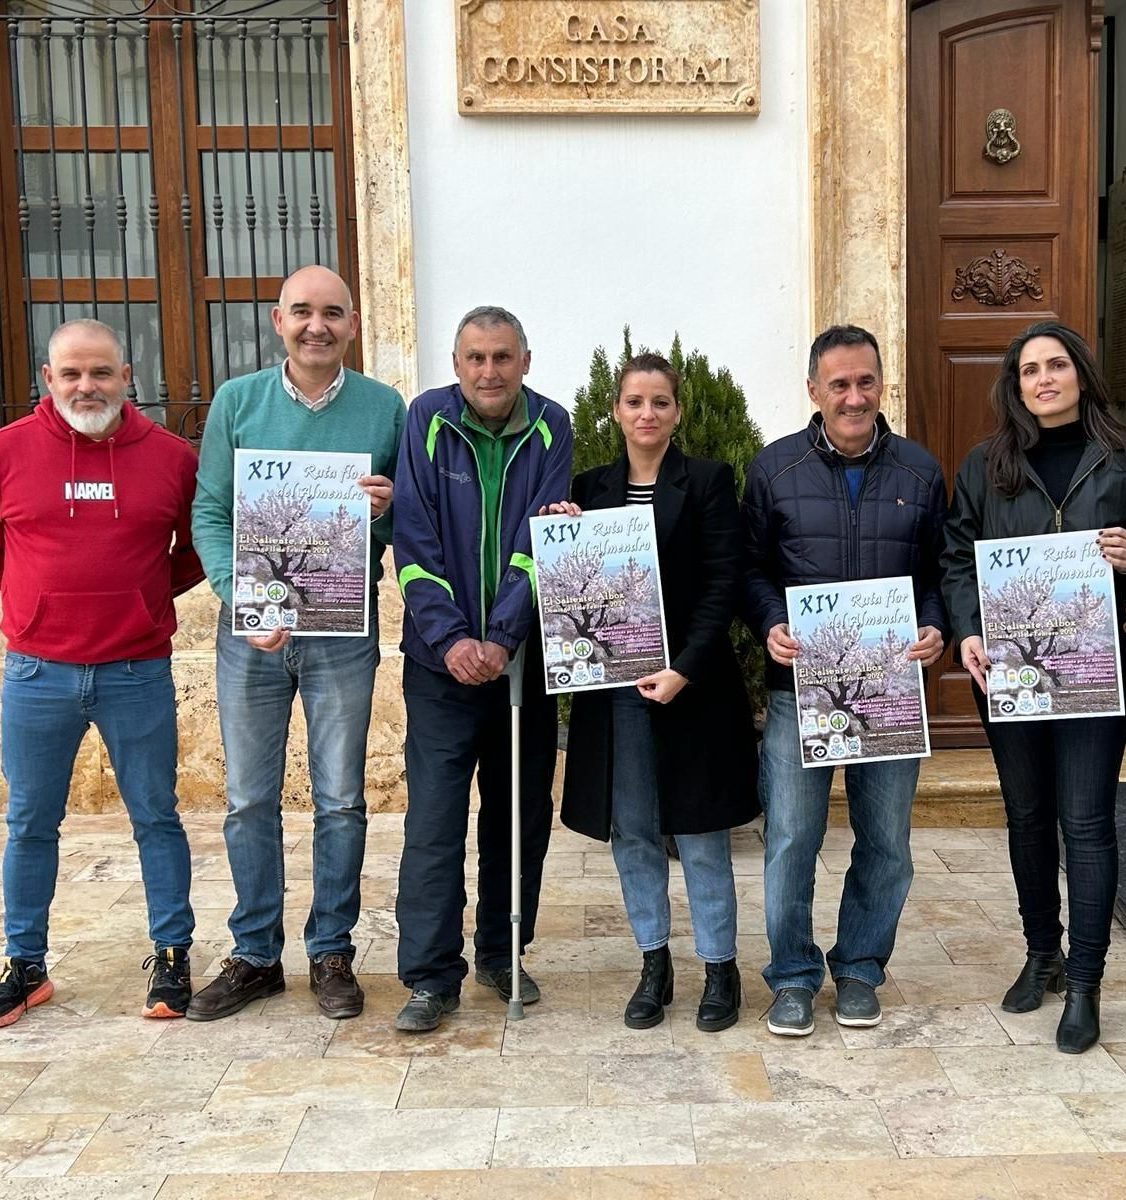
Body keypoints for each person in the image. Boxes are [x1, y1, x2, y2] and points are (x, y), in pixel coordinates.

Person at [0, 319, 204, 1027]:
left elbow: (196, 546)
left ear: (128, 377)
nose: (85, 386)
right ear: (47, 378)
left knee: (156, 816)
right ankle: (23, 965)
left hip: (136, 670)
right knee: (30, 821)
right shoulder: (3, 454)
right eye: (71, 374)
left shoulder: (170, 458)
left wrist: (143, 595)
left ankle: (172, 955)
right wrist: (36, 601)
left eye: (100, 373)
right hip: (37, 673)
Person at [940, 320, 1126, 1053]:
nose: (1043, 379)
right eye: (1029, 370)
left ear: (1080, 374)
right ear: (1014, 386)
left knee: (1088, 819)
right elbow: (956, 556)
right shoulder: (984, 465)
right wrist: (967, 628)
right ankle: (1042, 952)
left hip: (1100, 673)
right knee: (1028, 815)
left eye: (1056, 365)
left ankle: (1088, 978)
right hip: (1012, 667)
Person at [187, 265, 404, 1022]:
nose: (318, 325)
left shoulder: (386, 409)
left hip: (342, 631)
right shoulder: (237, 402)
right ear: (278, 321)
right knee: (249, 798)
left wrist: (388, 506)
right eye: (303, 312)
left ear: (352, 325)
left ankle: (331, 951)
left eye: (333, 313)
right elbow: (210, 512)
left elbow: (390, 529)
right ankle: (253, 954)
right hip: (253, 633)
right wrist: (238, 597)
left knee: (341, 799)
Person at [741, 324, 949, 1036]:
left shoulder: (920, 471)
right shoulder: (773, 469)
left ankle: (860, 967)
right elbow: (751, 568)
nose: (854, 397)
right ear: (813, 391)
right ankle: (793, 977)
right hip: (802, 691)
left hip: (891, 691)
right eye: (839, 384)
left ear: (880, 384)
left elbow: (937, 573)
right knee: (793, 837)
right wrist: (770, 620)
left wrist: (934, 625)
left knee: (886, 840)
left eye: (865, 382)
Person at [552, 353, 759, 1032]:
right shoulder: (589, 487)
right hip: (614, 694)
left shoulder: (705, 481)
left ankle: (720, 969)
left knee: (699, 833)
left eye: (660, 402)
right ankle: (653, 964)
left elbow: (722, 587)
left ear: (678, 411)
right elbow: (573, 579)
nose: (647, 414)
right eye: (635, 401)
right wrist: (561, 533)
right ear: (615, 410)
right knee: (633, 832)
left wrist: (685, 669)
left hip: (690, 690)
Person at [391, 305, 573, 1032]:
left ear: (525, 359)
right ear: (456, 361)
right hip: (438, 666)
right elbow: (413, 537)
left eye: (502, 357)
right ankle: (432, 977)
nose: (489, 372)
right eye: (475, 358)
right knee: (434, 823)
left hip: (522, 662)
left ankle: (502, 953)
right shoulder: (425, 419)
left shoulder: (551, 424)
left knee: (519, 816)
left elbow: (540, 537)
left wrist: (500, 637)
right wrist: (452, 640)